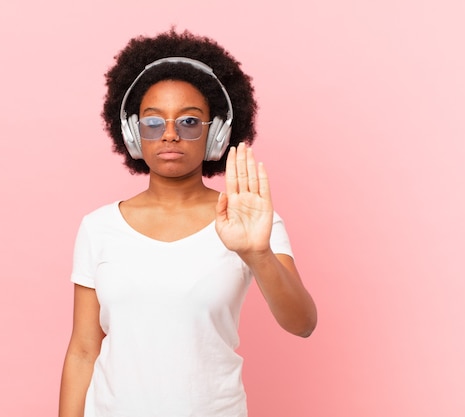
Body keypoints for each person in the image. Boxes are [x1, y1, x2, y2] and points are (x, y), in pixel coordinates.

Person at [59, 28, 317, 417]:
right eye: (153, 122)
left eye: (190, 122)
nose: (170, 135)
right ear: (132, 132)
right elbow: (82, 351)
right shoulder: (98, 228)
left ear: (216, 133)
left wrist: (258, 253)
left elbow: (303, 324)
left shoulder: (249, 223)